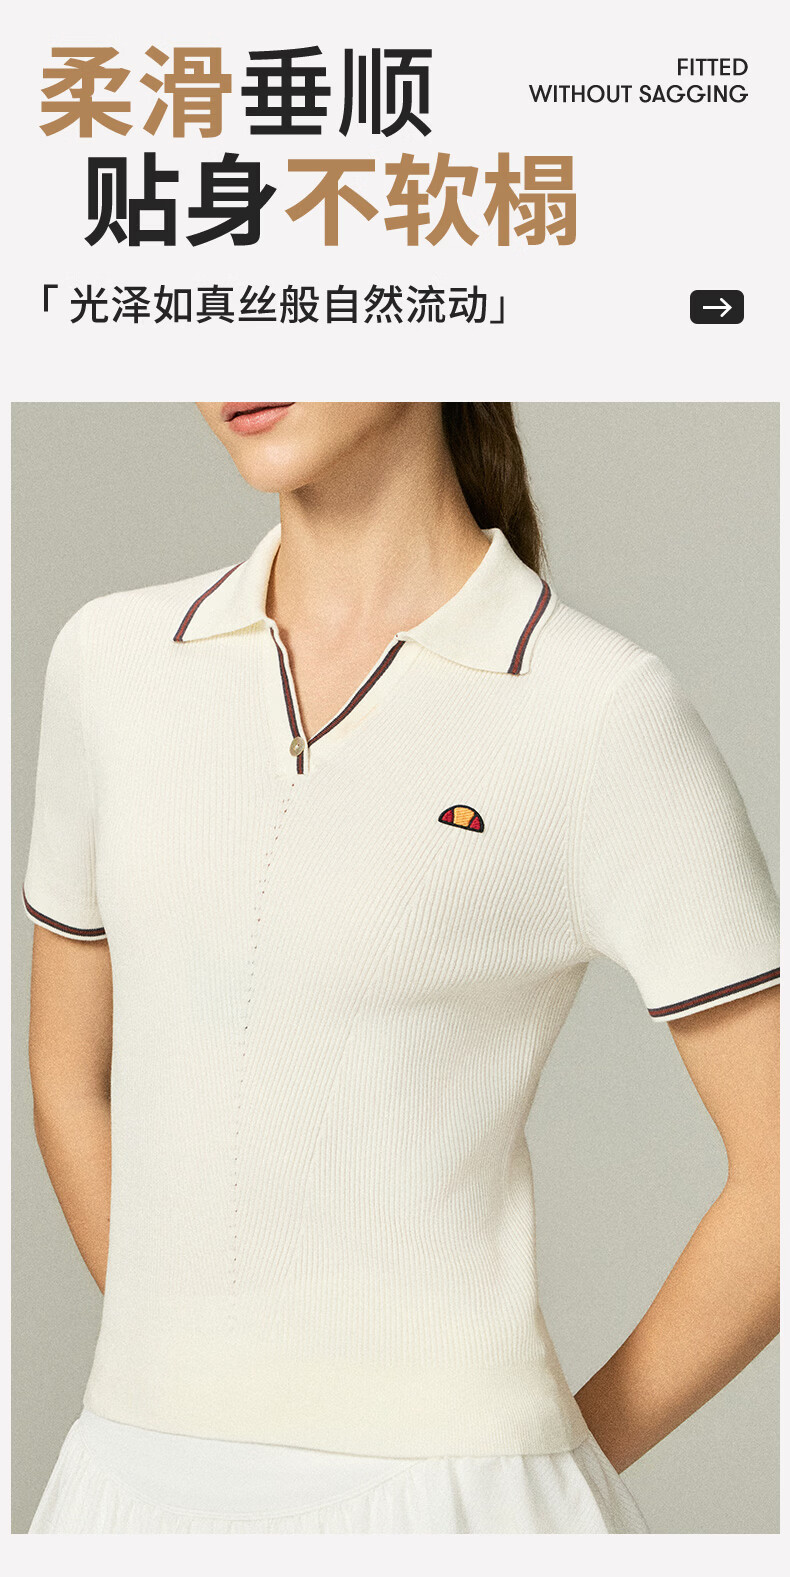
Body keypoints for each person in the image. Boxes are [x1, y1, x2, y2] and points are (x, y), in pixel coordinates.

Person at [23, 402, 779, 1535]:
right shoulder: (110, 662)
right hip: (121, 1486)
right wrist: (185, 1369)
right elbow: (67, 1076)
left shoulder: (595, 709)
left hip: (451, 1503)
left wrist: (548, 1472)